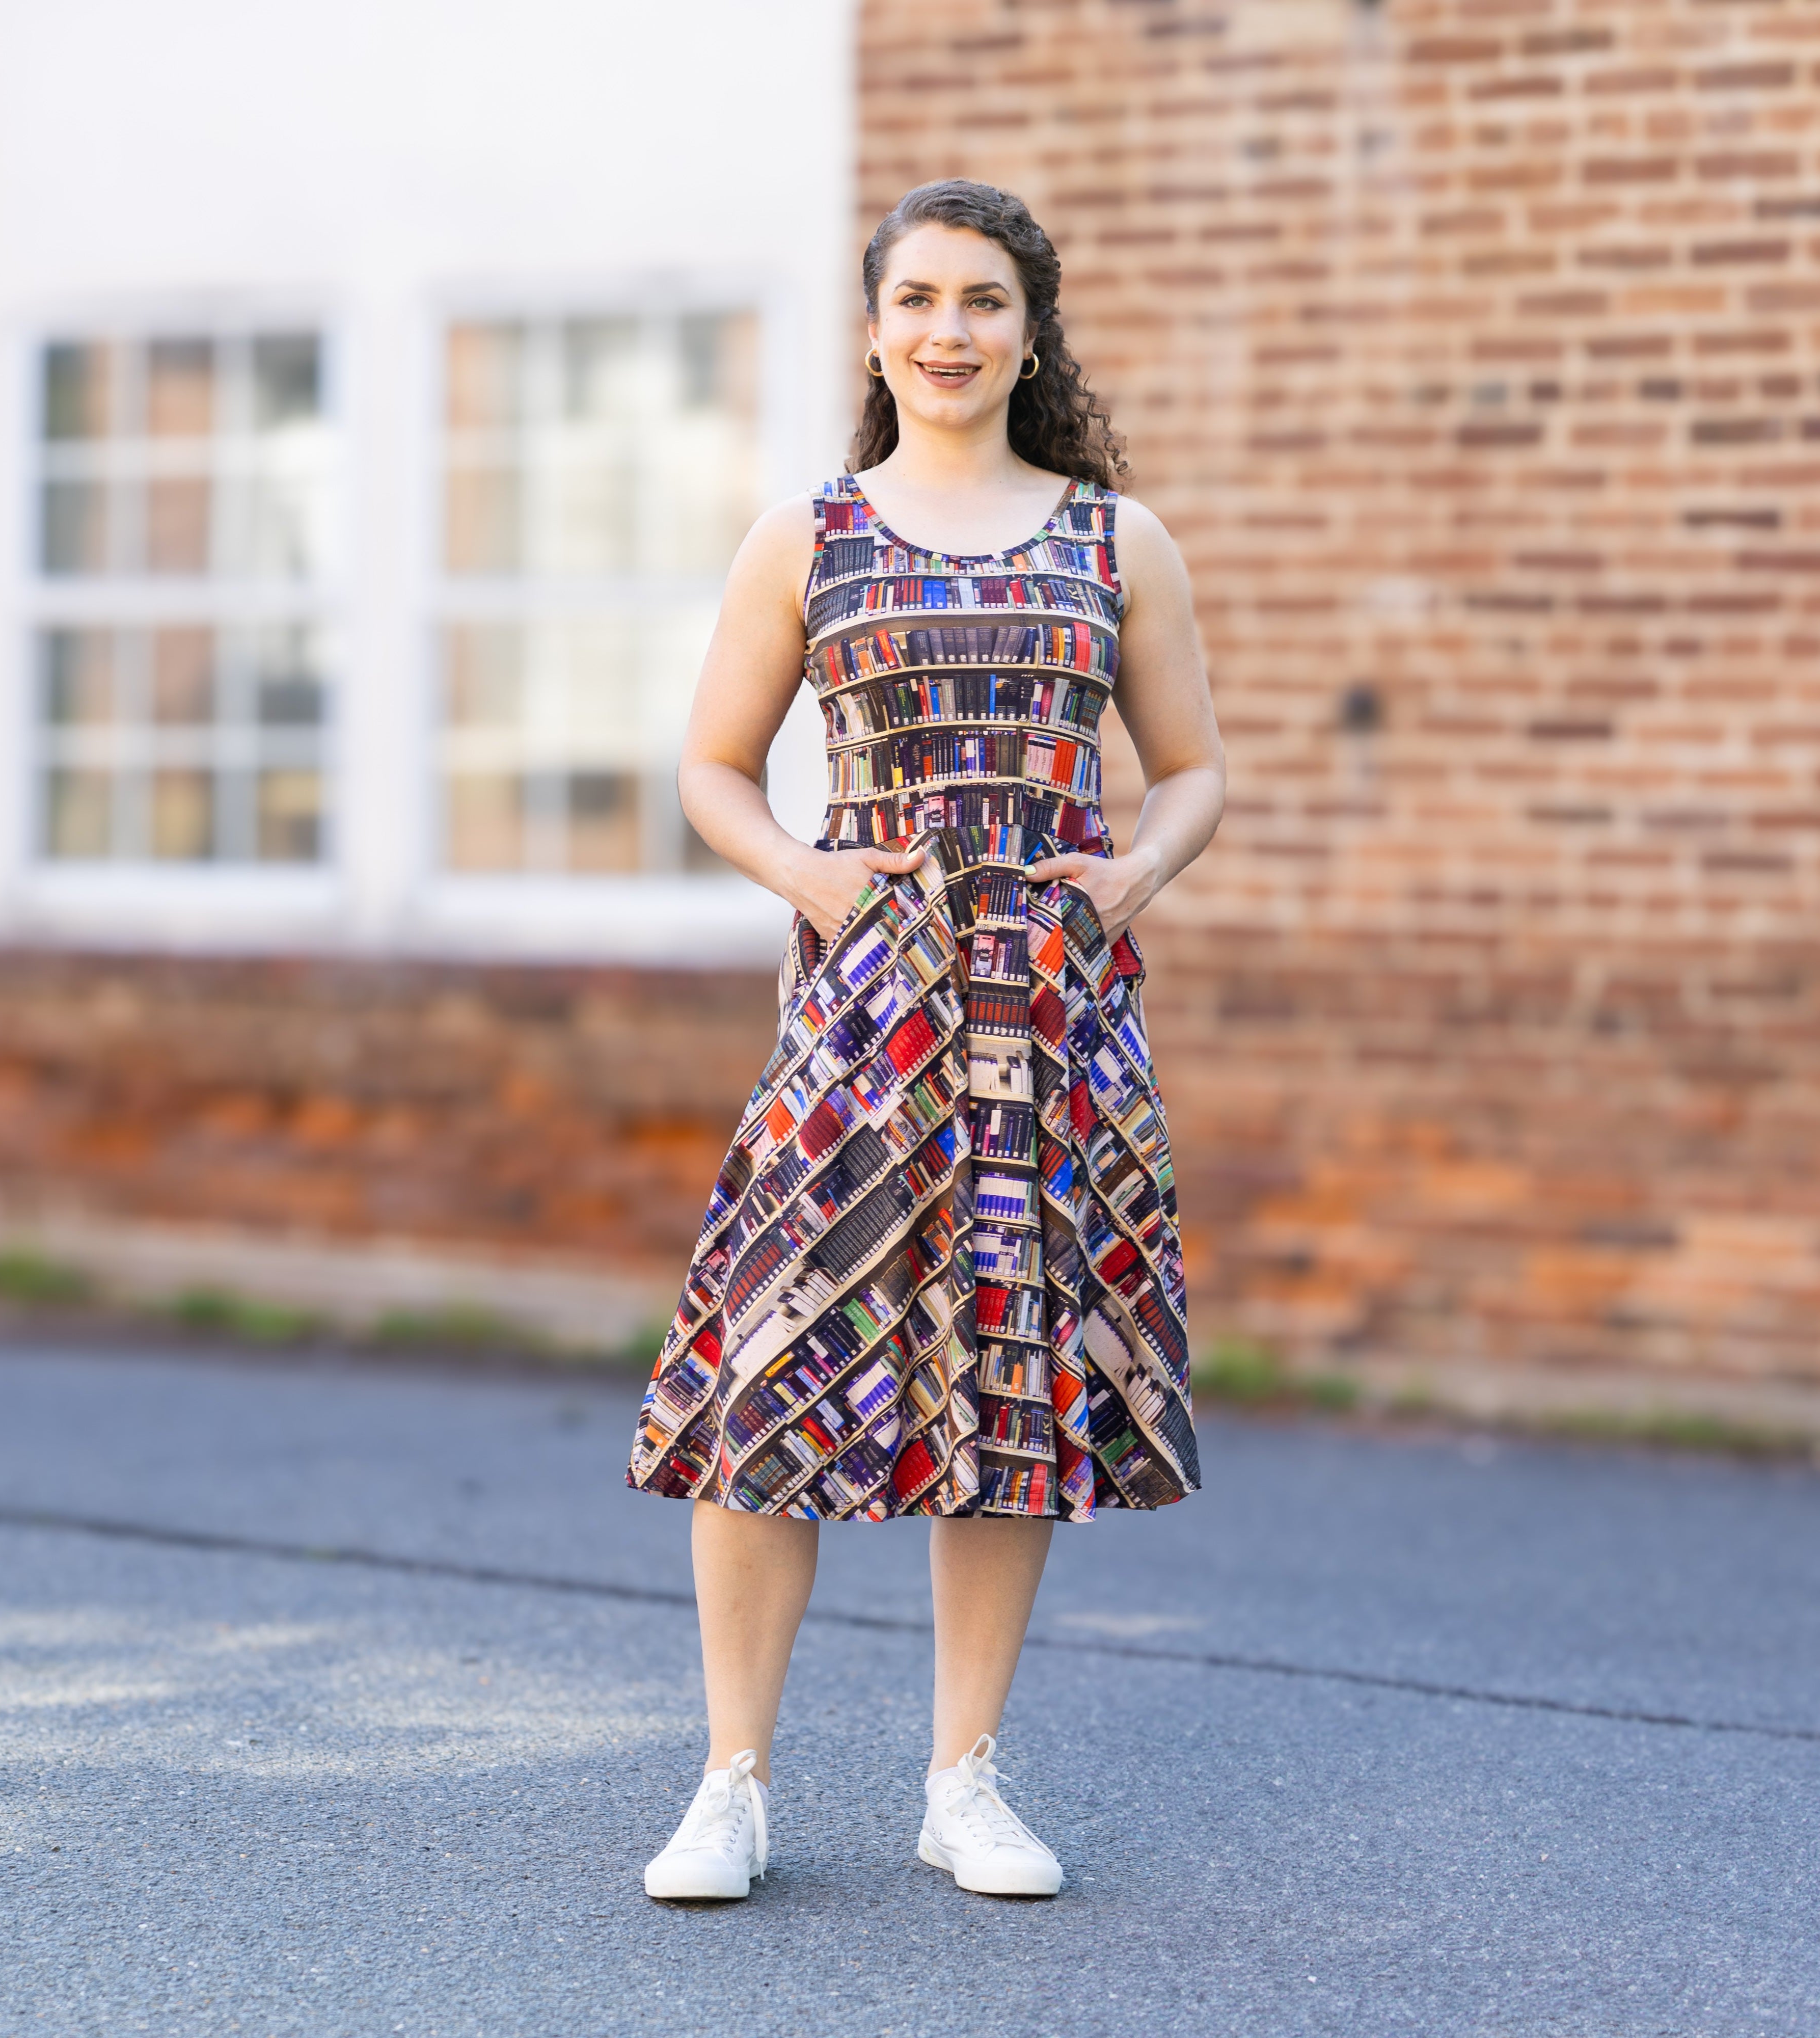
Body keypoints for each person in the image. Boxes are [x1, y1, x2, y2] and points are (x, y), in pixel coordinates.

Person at [626, 178, 1225, 1901]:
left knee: (1009, 1378)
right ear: (875, 328)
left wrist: (1126, 880)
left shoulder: (1120, 540)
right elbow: (711, 769)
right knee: (768, 1373)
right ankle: (732, 1783)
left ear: (1031, 329)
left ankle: (965, 1778)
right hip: (864, 1009)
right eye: (918, 301)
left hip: (1052, 1014)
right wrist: (812, 878)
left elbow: (1194, 769)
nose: (948, 332)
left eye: (983, 301)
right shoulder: (809, 535)